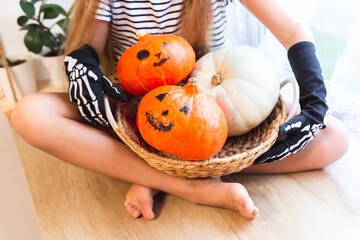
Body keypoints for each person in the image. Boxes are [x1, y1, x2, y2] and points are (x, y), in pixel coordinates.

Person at [10, 0, 349, 221]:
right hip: (139, 110)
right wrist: (81, 65)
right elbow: (89, 47)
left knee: (334, 137)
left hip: (218, 111)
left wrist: (315, 103)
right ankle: (193, 185)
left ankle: (159, 177)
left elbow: (292, 31)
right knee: (30, 115)